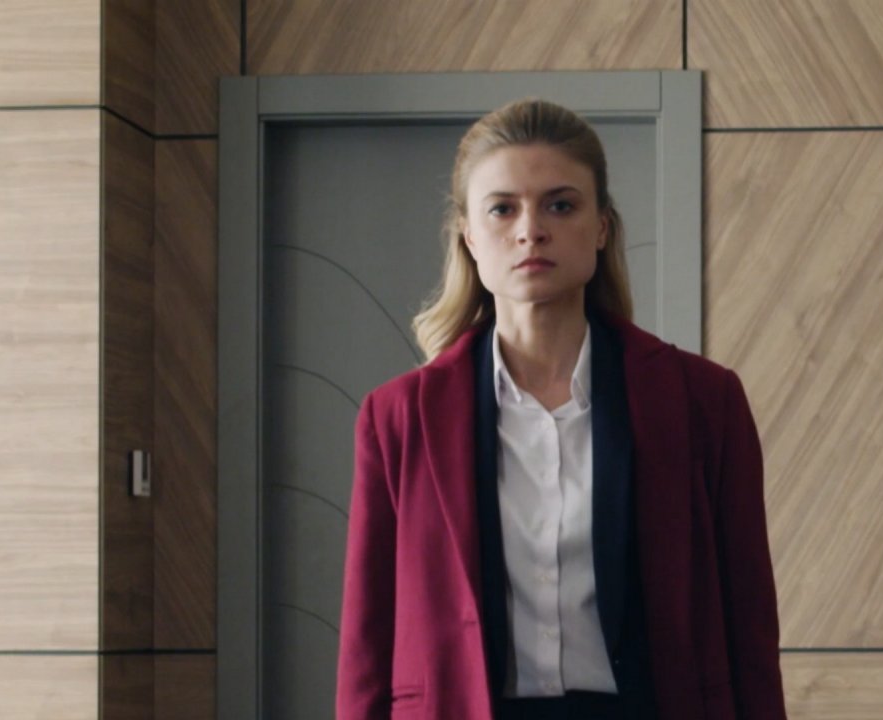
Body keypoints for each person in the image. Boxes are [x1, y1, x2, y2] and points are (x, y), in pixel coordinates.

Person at [336, 98, 787, 720]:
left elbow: (749, 624)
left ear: (601, 226)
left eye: (560, 205)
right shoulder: (398, 418)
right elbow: (367, 637)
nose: (531, 230)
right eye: (502, 208)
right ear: (469, 235)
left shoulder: (703, 401)